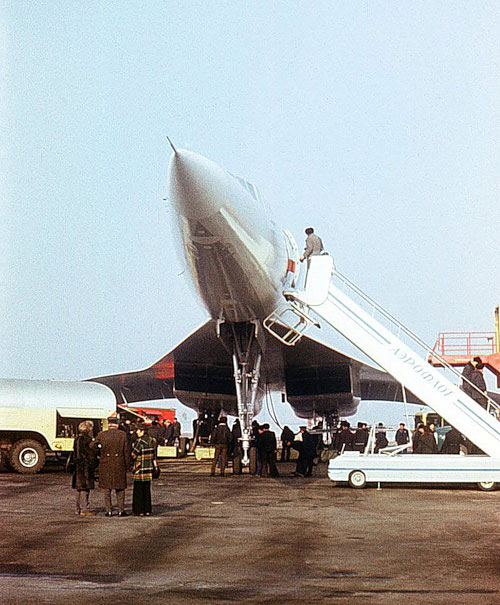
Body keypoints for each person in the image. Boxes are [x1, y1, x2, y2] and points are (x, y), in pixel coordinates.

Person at [91, 416, 130, 517]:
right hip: (119, 463)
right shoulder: (123, 435)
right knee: (120, 488)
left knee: (107, 489)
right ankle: (121, 510)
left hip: (105, 463)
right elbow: (126, 451)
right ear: (117, 424)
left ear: (108, 424)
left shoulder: (102, 435)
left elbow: (92, 446)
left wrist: (99, 453)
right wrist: (127, 465)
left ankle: (108, 510)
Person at [131, 426, 157, 516]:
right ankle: (147, 510)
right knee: (147, 491)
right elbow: (154, 455)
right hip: (149, 468)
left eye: (137, 431)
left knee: (138, 491)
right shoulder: (152, 441)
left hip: (140, 469)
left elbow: (134, 455)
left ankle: (139, 510)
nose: (136, 433)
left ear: (142, 431)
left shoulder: (140, 441)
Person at [72, 420, 97, 516]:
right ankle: (84, 509)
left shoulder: (77, 439)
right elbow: (91, 454)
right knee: (85, 488)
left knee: (78, 488)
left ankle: (77, 508)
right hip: (85, 466)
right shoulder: (88, 440)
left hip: (77, 465)